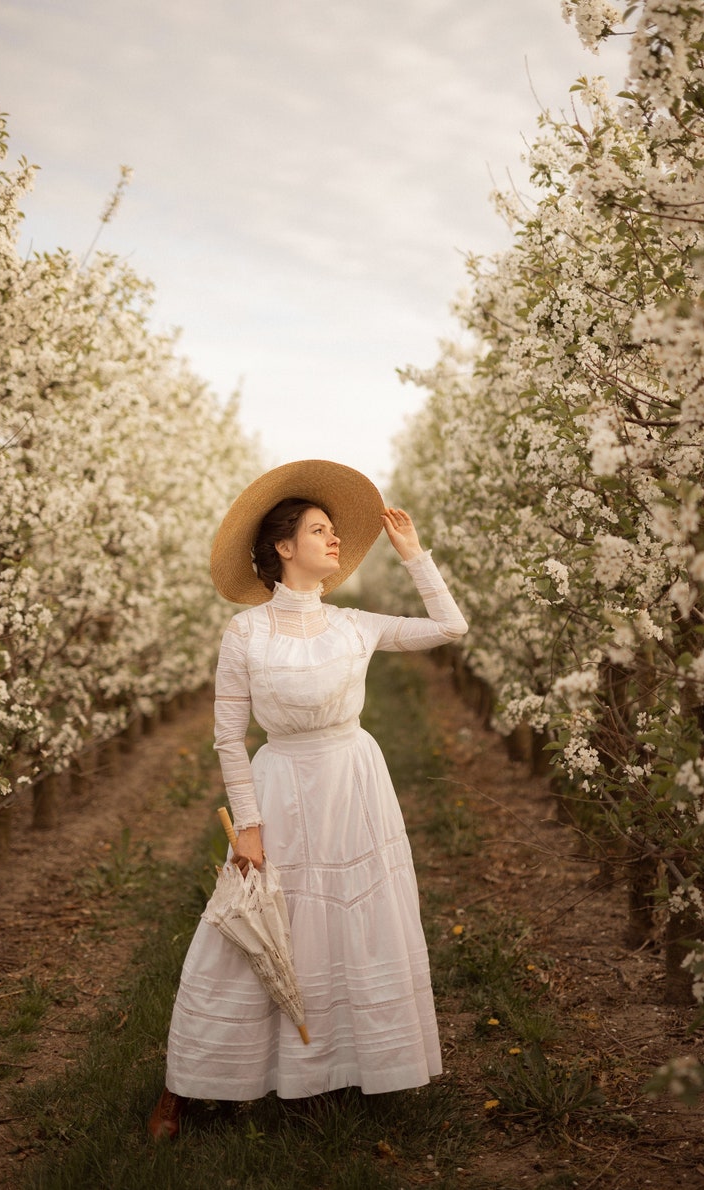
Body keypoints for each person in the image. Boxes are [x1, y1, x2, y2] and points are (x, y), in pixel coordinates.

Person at [148, 459, 467, 1140]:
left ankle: (328, 1068)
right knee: (246, 925)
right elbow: (229, 739)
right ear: (283, 547)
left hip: (353, 784)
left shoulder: (354, 625)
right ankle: (191, 1078)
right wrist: (249, 827)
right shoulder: (247, 634)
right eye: (319, 530)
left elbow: (450, 627)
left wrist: (416, 557)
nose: (336, 541)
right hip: (282, 787)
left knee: (350, 925)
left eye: (334, 532)